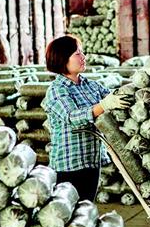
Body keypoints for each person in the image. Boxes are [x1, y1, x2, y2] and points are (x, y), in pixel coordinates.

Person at [43, 35, 131, 201]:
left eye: (82, 52)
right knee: (69, 212)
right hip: (68, 165)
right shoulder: (57, 90)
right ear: (62, 59)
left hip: (91, 161)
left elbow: (112, 96)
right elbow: (72, 117)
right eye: (77, 53)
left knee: (86, 208)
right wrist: (103, 106)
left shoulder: (90, 85)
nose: (83, 57)